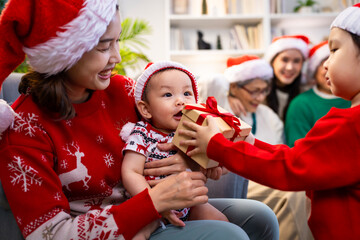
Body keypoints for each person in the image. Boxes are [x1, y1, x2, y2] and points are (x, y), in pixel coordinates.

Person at [0, 0, 279, 239]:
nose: (117, 57)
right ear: (65, 52)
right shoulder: (24, 128)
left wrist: (194, 159)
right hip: (119, 229)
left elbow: (184, 129)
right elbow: (49, 234)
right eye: (103, 47)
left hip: (159, 210)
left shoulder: (122, 90)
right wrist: (152, 202)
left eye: (117, 41)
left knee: (260, 217)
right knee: (229, 235)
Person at [179, 3, 360, 239]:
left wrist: (217, 145)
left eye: (334, 50)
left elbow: (288, 166)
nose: (325, 63)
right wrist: (252, 144)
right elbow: (298, 158)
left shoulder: (348, 124)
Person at [200, 55, 312, 240]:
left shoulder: (269, 116)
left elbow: (277, 155)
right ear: (234, 86)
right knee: (293, 196)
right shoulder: (220, 104)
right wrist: (227, 93)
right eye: (253, 91)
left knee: (301, 192)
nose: (259, 97)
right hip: (233, 178)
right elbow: (210, 81)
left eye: (264, 91)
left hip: (263, 176)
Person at [120, 61, 228, 239]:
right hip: (152, 201)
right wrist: (152, 202)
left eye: (187, 93)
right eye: (168, 94)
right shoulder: (142, 133)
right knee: (138, 235)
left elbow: (208, 164)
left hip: (188, 201)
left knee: (221, 222)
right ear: (145, 109)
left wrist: (212, 168)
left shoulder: (194, 132)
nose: (181, 101)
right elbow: (131, 171)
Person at [285, 40, 351, 147]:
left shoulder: (354, 98)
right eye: (323, 64)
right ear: (314, 71)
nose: (329, 69)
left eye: (335, 62)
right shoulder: (300, 104)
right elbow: (297, 149)